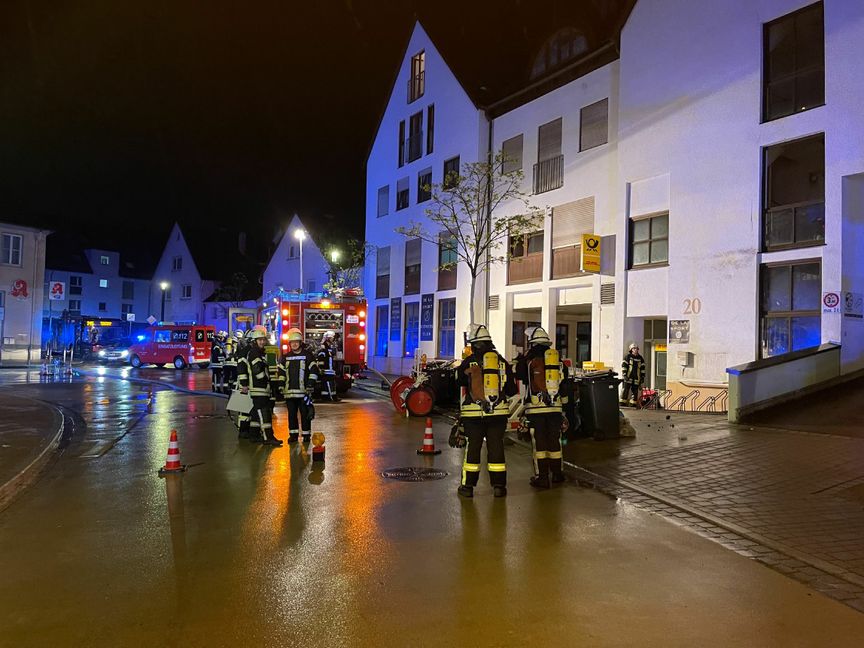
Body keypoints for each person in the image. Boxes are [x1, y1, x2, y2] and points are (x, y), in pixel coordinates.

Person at [455, 324, 517, 498]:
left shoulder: (469, 362)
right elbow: (512, 390)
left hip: (473, 414)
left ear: (474, 344)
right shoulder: (502, 362)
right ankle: (499, 487)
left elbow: (458, 381)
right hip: (498, 414)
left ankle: (468, 487)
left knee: (473, 448)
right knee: (496, 447)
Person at [515, 327, 566, 489]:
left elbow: (520, 376)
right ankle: (558, 474)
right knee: (555, 442)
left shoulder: (529, 360)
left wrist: (521, 360)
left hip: (536, 408)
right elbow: (565, 385)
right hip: (555, 408)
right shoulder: (557, 361)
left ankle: (542, 477)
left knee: (539, 444)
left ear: (533, 343)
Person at [237, 326, 282, 446]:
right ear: (254, 341)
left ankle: (254, 435)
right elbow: (257, 370)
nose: (262, 342)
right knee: (264, 412)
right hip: (259, 388)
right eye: (259, 340)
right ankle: (268, 437)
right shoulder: (254, 353)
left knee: (256, 413)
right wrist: (265, 380)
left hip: (259, 388)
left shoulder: (259, 352)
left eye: (263, 339)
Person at [279, 328, 319, 443]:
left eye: (296, 342)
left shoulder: (308, 356)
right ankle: (293, 435)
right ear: (290, 344)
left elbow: (314, 370)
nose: (294, 344)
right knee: (292, 415)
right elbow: (281, 372)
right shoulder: (285, 357)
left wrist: (310, 384)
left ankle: (306, 435)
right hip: (289, 392)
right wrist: (281, 385)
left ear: (300, 343)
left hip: (303, 392)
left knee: (305, 414)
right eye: (292, 342)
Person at [316, 330, 340, 402]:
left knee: (331, 384)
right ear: (327, 339)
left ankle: (330, 397)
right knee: (327, 384)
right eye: (331, 338)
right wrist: (321, 370)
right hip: (326, 371)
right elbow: (320, 361)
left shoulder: (328, 350)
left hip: (330, 371)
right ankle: (328, 397)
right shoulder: (323, 351)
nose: (333, 340)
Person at [620, 342, 646, 407]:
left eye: (636, 348)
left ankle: (633, 403)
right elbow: (624, 366)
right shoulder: (628, 357)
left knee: (635, 392)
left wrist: (642, 377)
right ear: (631, 349)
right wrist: (624, 375)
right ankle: (622, 403)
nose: (635, 350)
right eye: (634, 348)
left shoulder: (640, 358)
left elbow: (643, 368)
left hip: (637, 378)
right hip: (628, 377)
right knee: (625, 390)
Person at [222, 330, 240, 394]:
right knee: (234, 377)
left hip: (226, 364)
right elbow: (238, 353)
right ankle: (233, 389)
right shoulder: (237, 343)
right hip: (234, 364)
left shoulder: (227, 343)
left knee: (226, 377)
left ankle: (225, 390)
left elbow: (224, 353)